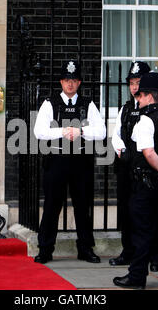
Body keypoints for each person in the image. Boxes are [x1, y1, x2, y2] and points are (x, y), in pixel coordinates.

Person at [113, 72, 158, 289]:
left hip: (146, 183)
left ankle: (137, 277)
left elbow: (148, 152)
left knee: (142, 231)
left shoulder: (145, 120)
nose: (138, 99)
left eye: (141, 95)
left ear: (149, 96)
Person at [33, 60, 106, 264]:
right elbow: (39, 131)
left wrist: (81, 131)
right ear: (61, 81)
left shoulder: (88, 104)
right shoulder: (50, 103)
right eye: (67, 80)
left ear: (79, 82)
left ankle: (85, 249)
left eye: (74, 80)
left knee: (83, 207)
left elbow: (101, 132)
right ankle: (45, 249)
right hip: (56, 160)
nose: (70, 84)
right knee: (51, 207)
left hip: (80, 162)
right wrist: (63, 131)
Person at [110, 61, 158, 271]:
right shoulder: (126, 108)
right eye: (131, 83)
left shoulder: (156, 110)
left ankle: (155, 255)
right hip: (126, 166)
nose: (134, 87)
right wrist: (122, 150)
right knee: (126, 210)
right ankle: (128, 251)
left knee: (151, 212)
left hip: (147, 166)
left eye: (138, 82)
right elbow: (116, 134)